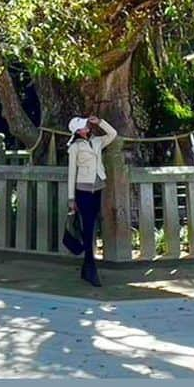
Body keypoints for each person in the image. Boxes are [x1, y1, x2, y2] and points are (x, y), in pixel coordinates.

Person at [66, 114, 118, 287]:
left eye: (87, 125)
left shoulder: (96, 141)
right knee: (87, 228)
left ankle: (87, 267)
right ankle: (90, 267)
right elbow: (71, 173)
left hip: (98, 187)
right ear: (77, 131)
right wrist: (71, 198)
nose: (87, 127)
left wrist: (101, 122)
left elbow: (113, 134)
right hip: (83, 190)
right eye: (83, 126)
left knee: (93, 225)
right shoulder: (74, 147)